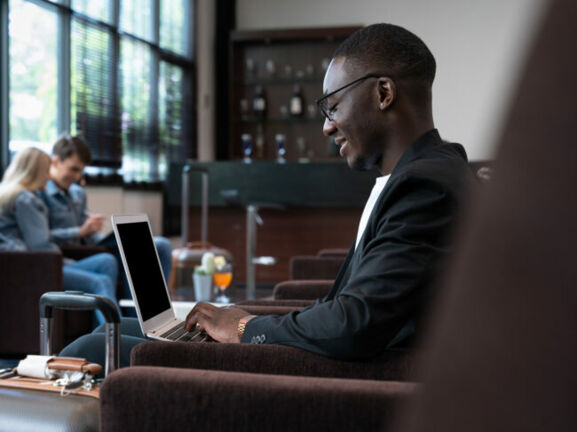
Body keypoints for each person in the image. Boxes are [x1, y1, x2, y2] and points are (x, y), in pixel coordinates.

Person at [61, 23, 473, 365]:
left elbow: (355, 325)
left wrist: (244, 328)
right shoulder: (420, 175)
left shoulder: (424, 187)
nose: (327, 127)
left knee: (93, 347)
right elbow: (360, 307)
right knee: (112, 329)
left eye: (333, 106)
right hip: (331, 359)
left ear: (383, 93)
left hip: (330, 380)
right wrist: (246, 321)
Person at [37, 134, 173, 300]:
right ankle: (134, 319)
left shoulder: (77, 193)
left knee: (161, 245)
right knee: (133, 252)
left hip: (92, 247)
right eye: (73, 169)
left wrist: (94, 229)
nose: (78, 176)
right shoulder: (40, 193)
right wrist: (80, 231)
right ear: (56, 161)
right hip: (72, 256)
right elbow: (41, 239)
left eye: (81, 170)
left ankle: (157, 310)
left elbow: (88, 234)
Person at [0, 147, 119, 325]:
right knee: (100, 281)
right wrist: (67, 261)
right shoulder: (26, 200)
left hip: (27, 265)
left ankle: (100, 333)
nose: (48, 177)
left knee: (106, 261)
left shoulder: (10, 194)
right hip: (40, 267)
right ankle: (116, 338)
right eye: (46, 171)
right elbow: (40, 244)